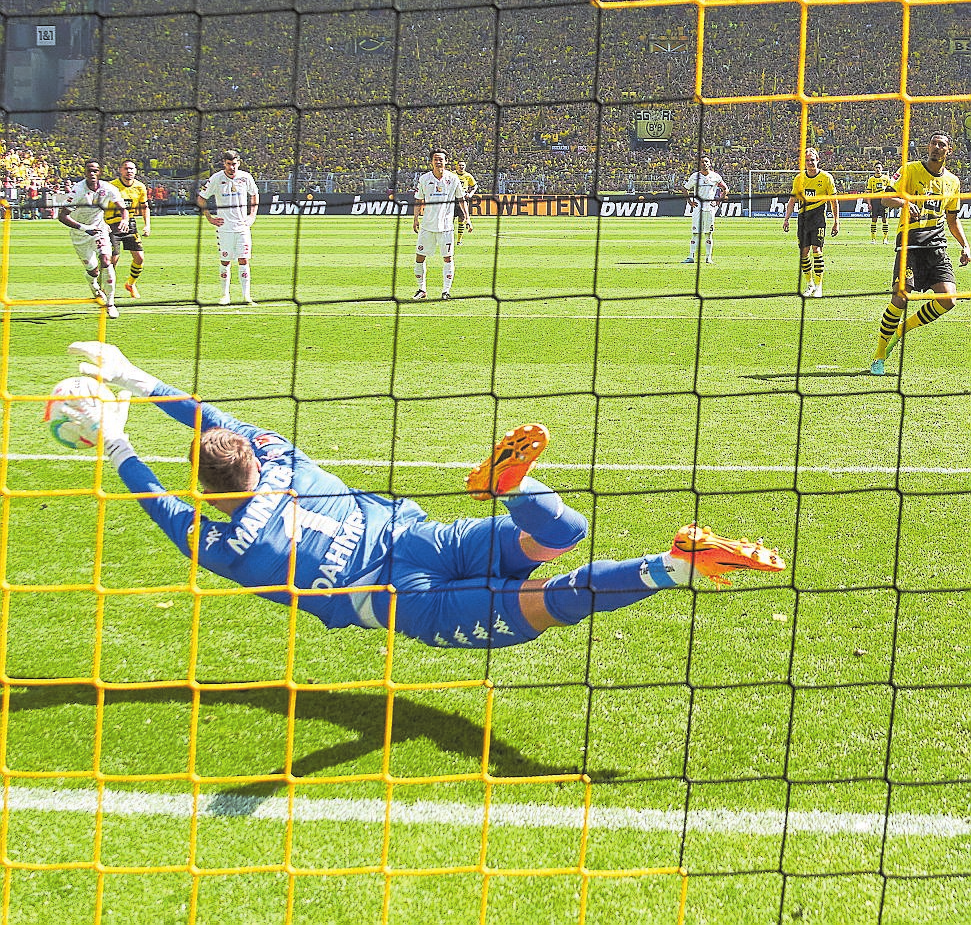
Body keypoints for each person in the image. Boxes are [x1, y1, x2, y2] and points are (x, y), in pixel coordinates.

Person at [62, 341, 785, 651]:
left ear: (208, 489)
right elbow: (212, 419)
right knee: (561, 532)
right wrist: (137, 380)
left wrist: (116, 443)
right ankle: (515, 488)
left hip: (392, 597)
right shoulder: (279, 452)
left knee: (544, 604)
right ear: (249, 454)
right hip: (416, 535)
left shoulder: (227, 545)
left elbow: (163, 508)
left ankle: (672, 567)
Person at [869, 132, 970, 376]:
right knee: (901, 297)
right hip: (910, 244)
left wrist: (966, 246)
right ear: (928, 147)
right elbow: (885, 198)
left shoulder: (953, 182)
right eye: (933, 143)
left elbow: (952, 220)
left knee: (948, 299)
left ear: (949, 151)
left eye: (942, 145)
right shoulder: (911, 170)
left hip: (936, 246)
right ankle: (879, 356)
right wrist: (904, 202)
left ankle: (903, 330)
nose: (936, 148)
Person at [57, 161, 128, 319]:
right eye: (89, 171)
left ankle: (110, 304)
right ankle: (93, 284)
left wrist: (124, 219)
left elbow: (122, 208)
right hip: (80, 234)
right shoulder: (77, 191)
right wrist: (84, 228)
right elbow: (62, 216)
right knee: (93, 270)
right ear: (85, 173)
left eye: (95, 171)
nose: (92, 174)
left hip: (99, 230)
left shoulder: (108, 188)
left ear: (100, 172)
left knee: (106, 260)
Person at [196, 149, 259, 305]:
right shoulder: (216, 179)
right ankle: (225, 295)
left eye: (235, 164)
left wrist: (252, 216)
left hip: (242, 227)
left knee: (244, 260)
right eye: (229, 164)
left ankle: (246, 296)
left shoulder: (246, 177)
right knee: (225, 261)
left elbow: (255, 194)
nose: (232, 167)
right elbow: (201, 198)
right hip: (224, 228)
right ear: (224, 163)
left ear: (239, 163)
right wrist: (209, 217)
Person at [782, 148, 840, 297]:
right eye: (807, 160)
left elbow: (834, 201)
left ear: (818, 160)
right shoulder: (799, 179)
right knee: (804, 253)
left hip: (818, 219)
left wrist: (836, 222)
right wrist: (787, 218)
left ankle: (819, 286)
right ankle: (810, 284)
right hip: (803, 219)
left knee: (817, 250)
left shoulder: (826, 178)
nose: (810, 163)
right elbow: (792, 200)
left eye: (812, 160)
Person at [413, 149, 469, 301]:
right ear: (431, 162)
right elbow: (418, 200)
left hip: (446, 228)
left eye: (441, 159)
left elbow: (461, 199)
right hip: (427, 227)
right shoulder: (424, 179)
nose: (438, 162)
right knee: (419, 258)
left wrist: (467, 218)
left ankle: (446, 291)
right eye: (436, 159)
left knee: (448, 259)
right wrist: (415, 219)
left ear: (446, 161)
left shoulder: (453, 179)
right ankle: (421, 289)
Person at [108, 159, 151, 299]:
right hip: (111, 225)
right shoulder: (111, 186)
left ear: (136, 171)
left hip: (129, 224)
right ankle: (106, 288)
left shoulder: (140, 187)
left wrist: (147, 225)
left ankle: (130, 284)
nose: (129, 171)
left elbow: (145, 207)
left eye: (132, 169)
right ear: (120, 170)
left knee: (139, 258)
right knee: (112, 259)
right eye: (126, 168)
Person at [679, 155, 727, 265]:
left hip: (710, 208)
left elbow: (725, 189)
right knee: (695, 232)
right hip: (698, 208)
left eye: (706, 161)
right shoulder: (695, 177)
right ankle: (691, 256)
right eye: (702, 162)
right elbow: (685, 189)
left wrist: (718, 201)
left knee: (708, 233)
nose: (704, 163)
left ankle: (708, 257)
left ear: (710, 163)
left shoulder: (715, 177)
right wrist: (690, 202)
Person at [864, 162, 894, 244]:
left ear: (882, 169)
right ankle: (873, 239)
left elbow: (890, 191)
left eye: (879, 168)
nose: (878, 169)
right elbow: (868, 192)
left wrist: (890, 201)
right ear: (874, 169)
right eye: (876, 167)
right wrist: (869, 203)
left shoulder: (886, 178)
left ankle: (885, 239)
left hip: (884, 201)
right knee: (874, 219)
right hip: (875, 201)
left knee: (885, 220)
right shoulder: (871, 179)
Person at [454, 160, 477, 245]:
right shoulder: (452, 174)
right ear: (456, 166)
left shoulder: (468, 176)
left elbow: (475, 186)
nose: (461, 167)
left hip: (463, 200)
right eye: (460, 165)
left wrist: (470, 194)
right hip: (452, 200)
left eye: (463, 165)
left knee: (461, 220)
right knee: (449, 221)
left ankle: (459, 241)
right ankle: (449, 240)